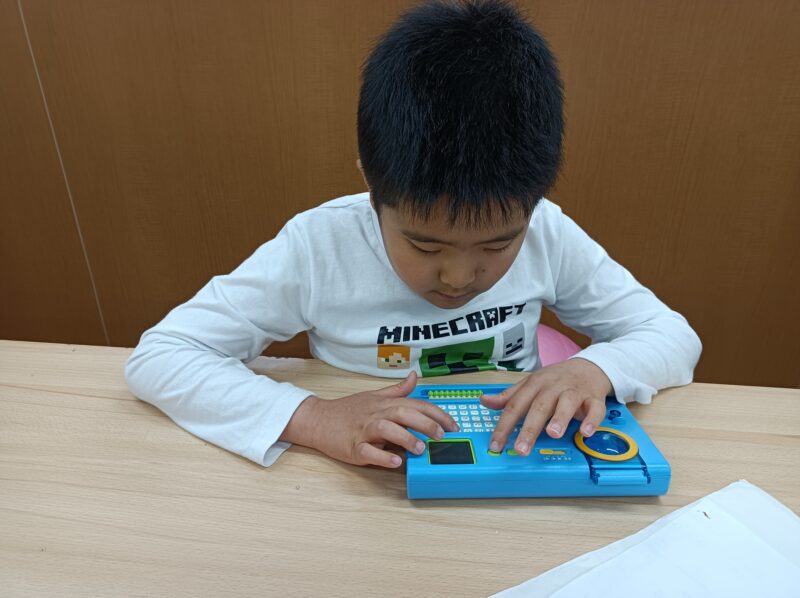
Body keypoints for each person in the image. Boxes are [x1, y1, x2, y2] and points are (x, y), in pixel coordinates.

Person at [125, 0, 701, 470]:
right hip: (365, 468)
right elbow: (164, 355)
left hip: (513, 458)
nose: (459, 276)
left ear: (533, 203)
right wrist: (314, 417)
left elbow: (671, 335)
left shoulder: (547, 231)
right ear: (371, 183)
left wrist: (594, 370)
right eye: (425, 245)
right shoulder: (319, 246)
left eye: (498, 245)